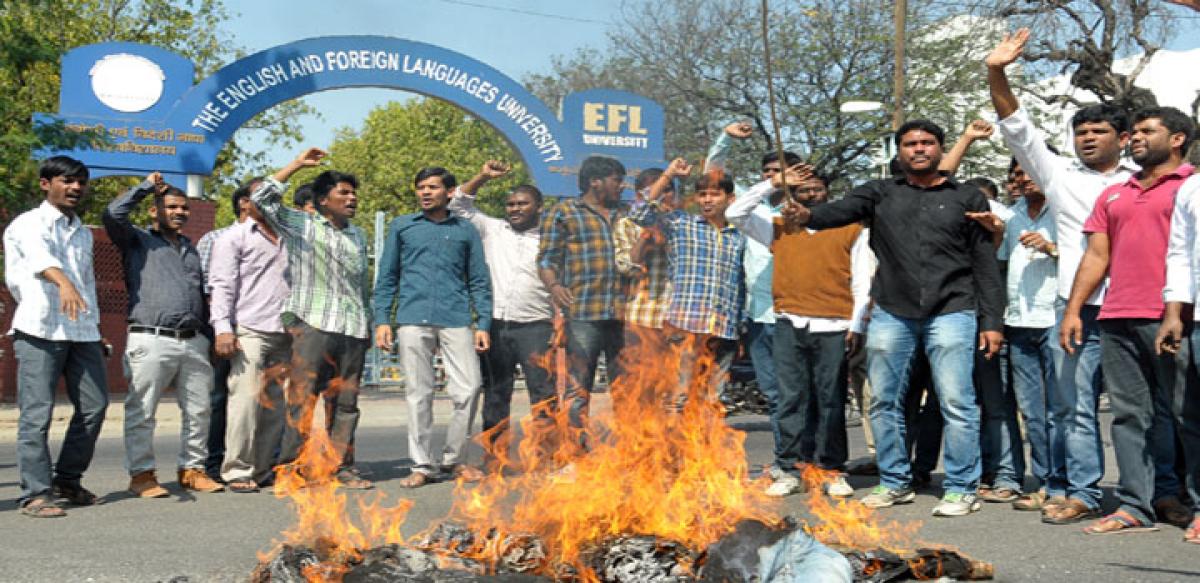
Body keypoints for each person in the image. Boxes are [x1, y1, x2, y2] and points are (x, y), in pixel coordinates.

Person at [783, 120, 1005, 517]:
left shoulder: (968, 197)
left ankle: (960, 488)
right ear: (898, 151)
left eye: (926, 143)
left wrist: (992, 322)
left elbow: (984, 263)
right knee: (883, 402)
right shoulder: (878, 193)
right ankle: (894, 482)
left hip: (953, 311)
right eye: (909, 144)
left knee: (957, 402)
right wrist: (805, 213)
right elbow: (830, 213)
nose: (918, 149)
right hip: (892, 312)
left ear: (940, 148)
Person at [987, 29, 1137, 525]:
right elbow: (1017, 126)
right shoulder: (1059, 178)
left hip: (1137, 307)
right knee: (1073, 408)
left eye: (1098, 131)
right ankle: (1083, 493)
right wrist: (997, 71)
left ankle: (1158, 494)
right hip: (1074, 311)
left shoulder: (1142, 181)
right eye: (1081, 131)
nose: (1088, 137)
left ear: (1123, 138)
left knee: (1144, 410)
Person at [1062, 107, 1196, 534]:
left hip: (1173, 316)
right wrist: (1074, 310)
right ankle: (1134, 505)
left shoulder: (1190, 187)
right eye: (1133, 132)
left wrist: (1177, 311)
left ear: (1177, 139)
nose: (1135, 138)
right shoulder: (1115, 193)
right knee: (1127, 415)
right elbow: (1097, 255)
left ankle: (1194, 505)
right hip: (1116, 315)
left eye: (1146, 131)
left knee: (1185, 414)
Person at [727, 166, 873, 499]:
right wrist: (772, 184)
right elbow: (735, 212)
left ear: (827, 192)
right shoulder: (779, 227)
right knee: (791, 400)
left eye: (816, 190)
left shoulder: (851, 229)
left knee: (831, 401)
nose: (810, 195)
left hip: (835, 325)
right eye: (802, 190)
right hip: (789, 323)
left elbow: (863, 281)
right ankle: (790, 467)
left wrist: (857, 324)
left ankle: (831, 469)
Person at [252, 147, 374, 490]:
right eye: (343, 193)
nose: (351, 199)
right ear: (322, 199)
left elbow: (360, 286)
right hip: (314, 325)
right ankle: (292, 468)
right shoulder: (300, 224)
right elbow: (262, 199)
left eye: (353, 193)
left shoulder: (358, 234)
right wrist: (296, 165)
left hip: (352, 328)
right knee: (303, 400)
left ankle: (340, 467)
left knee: (346, 404)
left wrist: (368, 323)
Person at [103, 172, 223, 497]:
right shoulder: (137, 240)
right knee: (142, 410)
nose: (180, 212)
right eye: (171, 207)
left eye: (184, 208)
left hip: (193, 341)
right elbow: (112, 214)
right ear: (154, 211)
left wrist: (209, 337)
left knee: (199, 410)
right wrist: (145, 187)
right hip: (151, 338)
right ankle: (142, 475)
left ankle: (193, 470)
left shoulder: (191, 250)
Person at [373, 166, 492, 487]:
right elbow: (387, 278)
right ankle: (422, 465)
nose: (425, 192)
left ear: (449, 192)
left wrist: (483, 323)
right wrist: (382, 319)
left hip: (456, 319)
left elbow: (479, 280)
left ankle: (455, 460)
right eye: (421, 187)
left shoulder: (465, 230)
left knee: (469, 389)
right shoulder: (402, 227)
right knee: (418, 394)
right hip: (412, 318)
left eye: (433, 187)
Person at [4, 156, 109, 517]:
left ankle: (67, 479)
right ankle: (34, 493)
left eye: (81, 181)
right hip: (40, 329)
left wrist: (96, 331)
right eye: (68, 180)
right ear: (46, 184)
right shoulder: (28, 223)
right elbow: (40, 258)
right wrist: (63, 282)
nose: (76, 187)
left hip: (82, 332)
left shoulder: (81, 231)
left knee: (95, 407)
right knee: (37, 414)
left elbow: (88, 285)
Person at [448, 161, 555, 470]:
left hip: (536, 326)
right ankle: (494, 459)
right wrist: (482, 176)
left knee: (544, 395)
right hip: (494, 325)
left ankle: (548, 457)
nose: (515, 209)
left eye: (522, 203)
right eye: (510, 204)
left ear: (539, 207)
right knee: (496, 394)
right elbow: (458, 206)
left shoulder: (551, 237)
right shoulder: (493, 229)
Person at [705, 121, 797, 473]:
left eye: (780, 172)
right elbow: (714, 174)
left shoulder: (805, 213)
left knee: (799, 395)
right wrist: (725, 137)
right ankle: (784, 462)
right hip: (759, 316)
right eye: (767, 173)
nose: (773, 178)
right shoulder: (751, 210)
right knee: (774, 395)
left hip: (801, 316)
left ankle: (810, 461)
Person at [631, 158, 746, 405]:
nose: (707, 200)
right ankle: (672, 445)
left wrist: (740, 327)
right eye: (702, 194)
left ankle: (706, 445)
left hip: (723, 330)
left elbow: (741, 285)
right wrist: (668, 175)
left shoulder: (738, 237)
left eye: (714, 195)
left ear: (730, 199)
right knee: (678, 398)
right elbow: (639, 213)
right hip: (685, 327)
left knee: (712, 400)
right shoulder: (682, 224)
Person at [537, 155, 628, 450]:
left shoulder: (626, 213)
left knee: (626, 387)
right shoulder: (563, 212)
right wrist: (553, 286)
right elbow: (547, 258)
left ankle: (632, 451)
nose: (622, 187)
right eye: (617, 180)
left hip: (623, 313)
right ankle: (575, 452)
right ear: (595, 182)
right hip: (583, 312)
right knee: (578, 387)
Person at [208, 177, 289, 493]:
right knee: (244, 401)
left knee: (274, 404)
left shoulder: (288, 236)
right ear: (245, 203)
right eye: (262, 196)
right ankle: (237, 470)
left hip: (284, 332)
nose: (271, 202)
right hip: (249, 330)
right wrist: (223, 328)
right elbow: (222, 286)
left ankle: (263, 467)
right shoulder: (232, 238)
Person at [997, 160, 1059, 510]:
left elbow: (1091, 258)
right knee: (1033, 412)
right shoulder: (1012, 215)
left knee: (1062, 411)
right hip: (1019, 323)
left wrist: (1051, 249)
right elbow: (1001, 261)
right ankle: (1046, 482)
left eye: (1029, 170)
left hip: (1057, 318)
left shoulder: (1065, 210)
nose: (1022, 178)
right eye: (1017, 173)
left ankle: (1069, 484)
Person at [197, 182, 257, 480]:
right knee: (218, 397)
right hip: (223, 331)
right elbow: (209, 289)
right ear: (244, 203)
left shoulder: (275, 240)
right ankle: (212, 464)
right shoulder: (216, 238)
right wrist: (221, 330)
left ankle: (252, 461)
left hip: (257, 330)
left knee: (252, 398)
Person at [1155, 158, 1200, 546]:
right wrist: (1173, 312)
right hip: (1196, 321)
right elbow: (1180, 254)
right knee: (1190, 417)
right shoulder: (1192, 189)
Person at [614, 168, 673, 357]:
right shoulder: (627, 224)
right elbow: (627, 266)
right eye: (656, 190)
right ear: (641, 195)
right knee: (641, 383)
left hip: (678, 320)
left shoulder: (685, 223)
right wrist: (647, 234)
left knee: (675, 385)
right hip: (643, 317)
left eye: (668, 189)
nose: (662, 196)